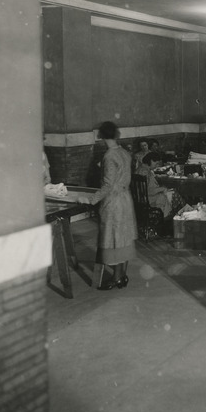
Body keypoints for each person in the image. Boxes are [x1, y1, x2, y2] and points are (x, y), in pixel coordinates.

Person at [76, 121, 138, 291]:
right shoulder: (124, 153)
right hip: (126, 199)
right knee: (123, 238)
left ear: (101, 136)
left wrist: (90, 200)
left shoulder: (109, 156)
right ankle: (122, 275)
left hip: (114, 202)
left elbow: (108, 185)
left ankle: (116, 278)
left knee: (113, 240)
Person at [137, 152, 173, 217]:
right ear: (151, 161)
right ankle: (169, 219)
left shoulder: (140, 169)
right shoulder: (144, 172)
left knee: (170, 193)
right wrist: (162, 188)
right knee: (173, 195)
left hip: (142, 199)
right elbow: (148, 191)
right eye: (156, 163)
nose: (157, 166)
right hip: (148, 199)